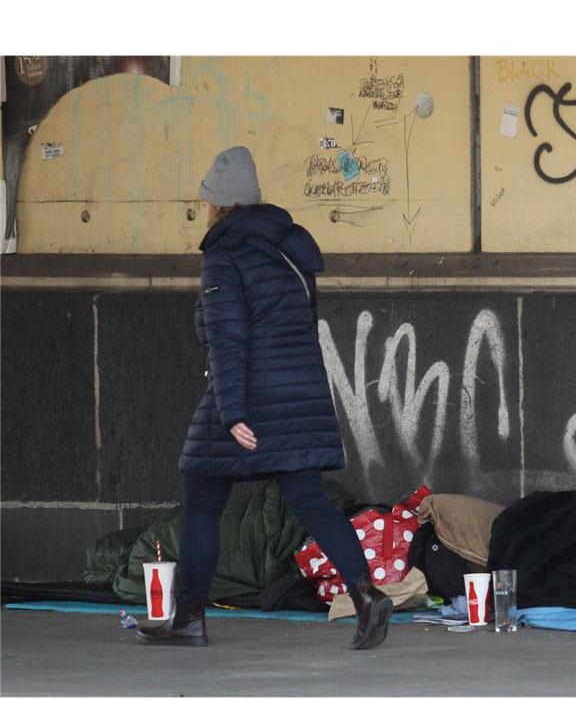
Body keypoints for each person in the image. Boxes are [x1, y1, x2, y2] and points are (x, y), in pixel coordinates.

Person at [137, 146, 392, 649]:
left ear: (219, 204)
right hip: (300, 395)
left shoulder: (225, 255)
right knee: (310, 501)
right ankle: (367, 594)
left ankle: (188, 617)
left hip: (250, 393)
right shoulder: (287, 250)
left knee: (202, 494)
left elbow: (229, 339)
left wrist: (232, 411)